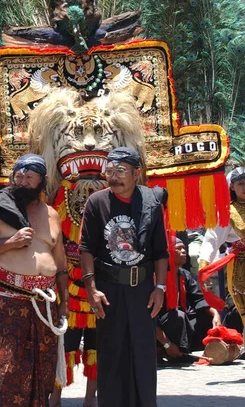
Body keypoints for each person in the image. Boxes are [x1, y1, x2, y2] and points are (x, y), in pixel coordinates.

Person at [0, 153, 68, 407]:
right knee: (7, 368)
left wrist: (64, 302)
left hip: (45, 305)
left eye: (29, 177)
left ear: (42, 181)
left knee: (40, 369)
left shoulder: (52, 215)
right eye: (19, 176)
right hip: (9, 301)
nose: (23, 181)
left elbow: (60, 264)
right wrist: (10, 242)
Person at [79, 147, 169, 407]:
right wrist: (91, 289)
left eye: (120, 171)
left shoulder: (151, 201)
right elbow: (86, 248)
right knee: (111, 354)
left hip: (143, 290)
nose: (113, 177)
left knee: (142, 353)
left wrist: (160, 287)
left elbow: (161, 252)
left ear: (136, 173)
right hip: (109, 290)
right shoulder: (97, 202)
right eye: (109, 171)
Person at [198, 166, 245, 340]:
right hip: (241, 265)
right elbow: (212, 239)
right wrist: (205, 264)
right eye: (241, 183)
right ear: (231, 187)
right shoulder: (227, 212)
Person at [157, 238, 220, 362]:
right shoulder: (157, 277)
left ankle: (202, 349)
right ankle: (170, 352)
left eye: (184, 248)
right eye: (179, 248)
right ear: (169, 252)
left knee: (205, 316)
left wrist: (215, 314)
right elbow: (149, 317)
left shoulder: (185, 275)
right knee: (178, 316)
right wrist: (167, 343)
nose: (184, 251)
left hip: (181, 321)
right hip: (161, 328)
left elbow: (199, 299)